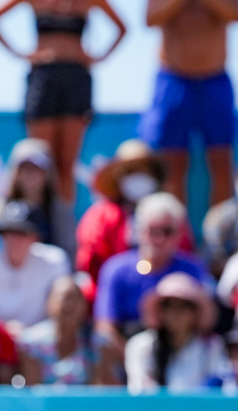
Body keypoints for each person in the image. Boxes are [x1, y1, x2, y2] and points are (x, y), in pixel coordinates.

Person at [0, 0, 127, 204]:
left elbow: (122, 28)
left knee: (66, 164)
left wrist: (99, 56)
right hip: (44, 75)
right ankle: (35, 225)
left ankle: (63, 230)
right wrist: (21, 53)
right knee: (39, 159)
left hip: (76, 76)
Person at [139, 0, 238, 206]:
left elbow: (234, 13)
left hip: (215, 80)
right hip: (173, 80)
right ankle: (178, 237)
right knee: (172, 163)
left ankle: (219, 236)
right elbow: (151, 18)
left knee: (221, 161)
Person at [94, 194, 209, 380]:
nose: (159, 238)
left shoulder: (192, 269)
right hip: (126, 362)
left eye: (167, 231)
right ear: (138, 231)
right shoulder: (116, 270)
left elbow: (203, 324)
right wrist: (138, 364)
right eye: (153, 230)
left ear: (179, 234)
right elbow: (106, 330)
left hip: (182, 365)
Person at [76, 139, 171, 286]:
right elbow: (89, 262)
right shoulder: (102, 216)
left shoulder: (169, 213)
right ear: (120, 177)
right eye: (131, 171)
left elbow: (183, 252)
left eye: (143, 170)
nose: (138, 176)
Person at [124, 272, 228, 393]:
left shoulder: (211, 346)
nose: (175, 313)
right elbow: (141, 392)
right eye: (168, 305)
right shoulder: (140, 346)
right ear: (160, 311)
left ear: (195, 313)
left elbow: (216, 390)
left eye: (183, 306)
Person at [0, 201, 70, 333]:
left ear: (35, 236)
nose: (14, 240)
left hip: (41, 337)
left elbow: (60, 307)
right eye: (8, 233)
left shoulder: (54, 260)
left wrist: (32, 333)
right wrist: (3, 331)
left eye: (21, 233)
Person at [0, 138, 75, 253]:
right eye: (24, 168)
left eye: (36, 169)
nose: (30, 174)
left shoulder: (60, 212)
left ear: (47, 174)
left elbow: (69, 252)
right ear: (15, 173)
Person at [17, 276, 96, 386]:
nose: (69, 304)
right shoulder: (31, 342)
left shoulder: (96, 343)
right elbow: (32, 391)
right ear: (48, 303)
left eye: (75, 298)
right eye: (64, 298)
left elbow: (101, 389)